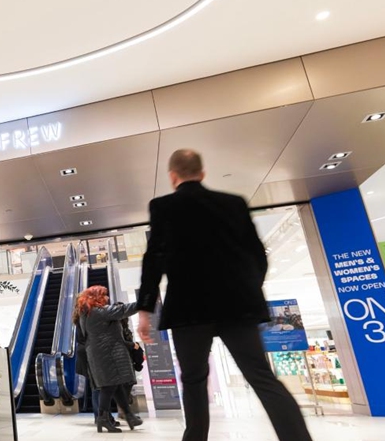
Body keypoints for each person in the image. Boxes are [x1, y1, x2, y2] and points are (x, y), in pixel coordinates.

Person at [136, 149, 313, 441]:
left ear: (172, 177)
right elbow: (258, 255)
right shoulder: (234, 203)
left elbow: (153, 258)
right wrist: (248, 291)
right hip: (238, 306)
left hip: (188, 309)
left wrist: (145, 311)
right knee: (261, 376)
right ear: (202, 173)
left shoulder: (162, 206)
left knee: (193, 381)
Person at [77, 285, 142, 433]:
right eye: (104, 295)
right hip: (106, 354)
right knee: (108, 386)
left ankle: (128, 416)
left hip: (101, 353)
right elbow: (123, 310)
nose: (107, 298)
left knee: (115, 383)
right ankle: (103, 418)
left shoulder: (87, 313)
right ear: (96, 297)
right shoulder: (99, 312)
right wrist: (144, 301)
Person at [73, 308, 119, 427]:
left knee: (99, 386)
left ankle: (103, 417)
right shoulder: (86, 318)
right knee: (98, 387)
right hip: (90, 354)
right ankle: (101, 417)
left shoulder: (82, 317)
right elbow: (85, 338)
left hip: (89, 353)